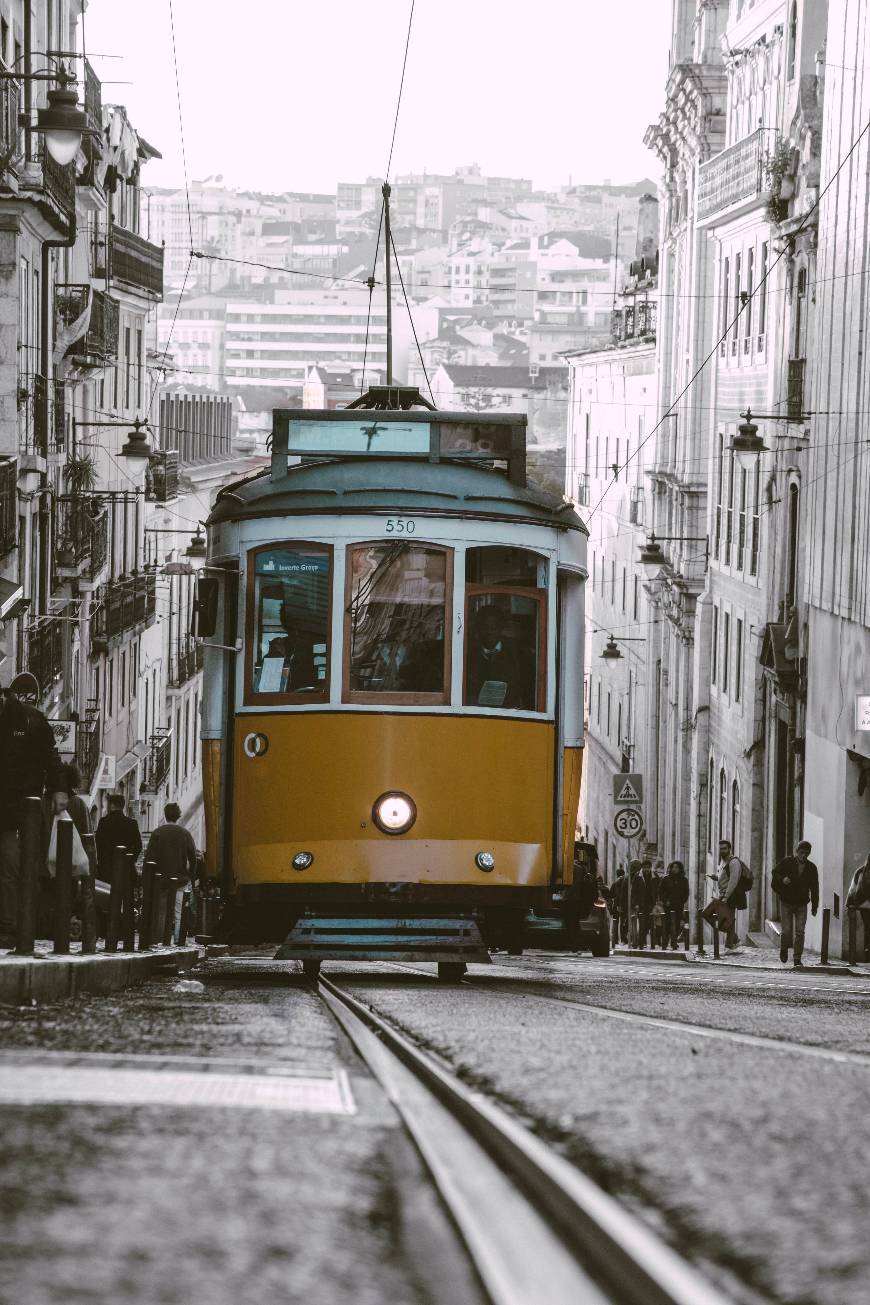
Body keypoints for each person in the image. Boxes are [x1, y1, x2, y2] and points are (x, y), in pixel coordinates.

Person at [0, 676, 65, 948]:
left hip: (18, 811)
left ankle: (11, 927)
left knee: (12, 868)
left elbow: (50, 757)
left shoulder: (29, 720)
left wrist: (59, 789)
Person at [144, 803, 198, 943]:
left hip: (161, 881)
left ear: (165, 815)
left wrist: (147, 879)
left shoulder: (157, 833)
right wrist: (190, 876)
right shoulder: (185, 834)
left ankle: (161, 942)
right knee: (179, 913)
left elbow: (149, 859)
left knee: (161, 912)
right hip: (180, 879)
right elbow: (193, 858)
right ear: (179, 815)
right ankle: (179, 941)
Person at [466, 604, 527, 709]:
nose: (489, 632)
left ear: (501, 628)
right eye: (485, 627)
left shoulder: (518, 655)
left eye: (494, 627)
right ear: (478, 629)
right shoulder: (467, 655)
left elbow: (524, 690)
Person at [772, 840, 819, 967]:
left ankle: (797, 958)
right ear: (797, 851)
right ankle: (784, 948)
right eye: (801, 852)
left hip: (802, 903)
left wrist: (815, 906)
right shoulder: (787, 862)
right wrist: (782, 879)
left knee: (800, 932)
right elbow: (775, 873)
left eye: (806, 853)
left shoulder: (811, 868)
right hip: (786, 901)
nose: (803, 855)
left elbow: (815, 888)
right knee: (786, 930)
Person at [96, 793, 143, 882]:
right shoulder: (132, 823)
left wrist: (101, 860)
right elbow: (138, 846)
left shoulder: (103, 822)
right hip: (125, 868)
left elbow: (98, 844)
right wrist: (130, 860)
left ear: (112, 805)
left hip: (106, 867)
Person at [707, 840, 744, 952]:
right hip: (722, 893)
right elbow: (725, 877)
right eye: (720, 848)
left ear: (729, 849)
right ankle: (735, 939)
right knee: (708, 914)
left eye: (724, 848)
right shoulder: (724, 861)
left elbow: (733, 881)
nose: (722, 850)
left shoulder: (734, 862)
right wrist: (717, 877)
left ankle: (730, 945)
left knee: (728, 919)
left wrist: (726, 897)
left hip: (730, 895)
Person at [659, 860, 689, 950]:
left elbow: (686, 893)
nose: (675, 869)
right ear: (671, 868)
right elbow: (660, 891)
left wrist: (682, 901)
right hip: (668, 906)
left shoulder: (684, 880)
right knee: (667, 924)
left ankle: (674, 942)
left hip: (678, 906)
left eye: (677, 867)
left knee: (676, 924)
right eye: (673, 867)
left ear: (680, 869)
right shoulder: (666, 879)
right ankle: (665, 941)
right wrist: (665, 901)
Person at [846, 852, 870, 962]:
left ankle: (868, 953)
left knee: (868, 929)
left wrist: (849, 903)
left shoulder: (861, 870)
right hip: (865, 905)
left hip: (864, 905)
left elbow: (853, 888)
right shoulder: (861, 871)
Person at [633, 858, 658, 949]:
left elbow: (658, 889)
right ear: (642, 868)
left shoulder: (655, 876)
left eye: (648, 867)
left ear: (650, 868)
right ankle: (641, 943)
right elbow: (634, 891)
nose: (646, 869)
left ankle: (652, 944)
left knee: (650, 924)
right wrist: (635, 903)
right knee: (642, 923)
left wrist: (657, 902)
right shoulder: (637, 876)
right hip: (641, 904)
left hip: (651, 904)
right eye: (645, 867)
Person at [609, 866, 626, 945]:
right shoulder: (626, 882)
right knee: (623, 922)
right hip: (623, 905)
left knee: (615, 922)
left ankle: (615, 940)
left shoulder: (615, 883)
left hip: (616, 905)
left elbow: (611, 895)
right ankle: (623, 939)